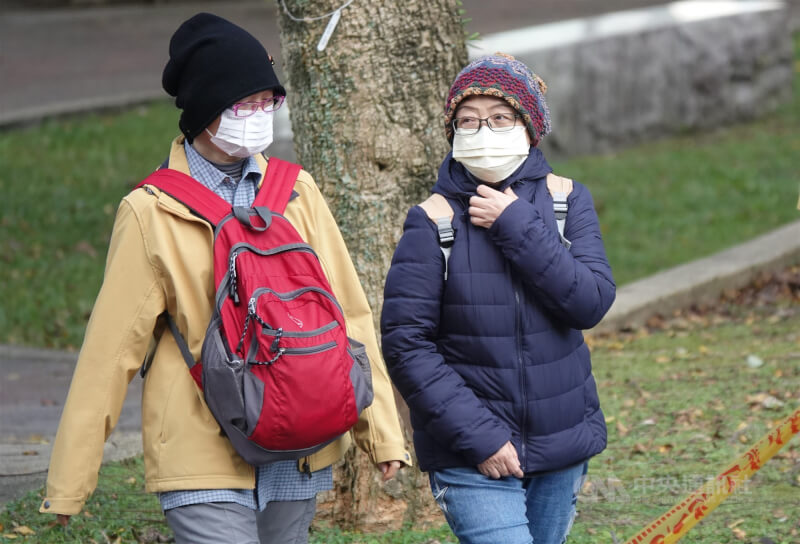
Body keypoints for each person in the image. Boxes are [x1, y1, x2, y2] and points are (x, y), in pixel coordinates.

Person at [39, 12, 410, 544]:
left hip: (299, 436)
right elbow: (111, 349)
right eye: (245, 104)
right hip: (200, 445)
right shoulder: (152, 211)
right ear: (207, 107)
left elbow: (348, 312)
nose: (260, 116)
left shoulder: (297, 191)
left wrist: (382, 437)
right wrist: (69, 483)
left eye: (268, 102)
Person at [380, 53, 615, 544]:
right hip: (470, 452)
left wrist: (518, 227)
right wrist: (482, 438)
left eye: (500, 118)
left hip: (562, 443)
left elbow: (590, 303)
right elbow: (406, 344)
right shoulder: (433, 220)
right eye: (468, 121)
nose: (483, 131)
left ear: (529, 127)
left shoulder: (566, 199)